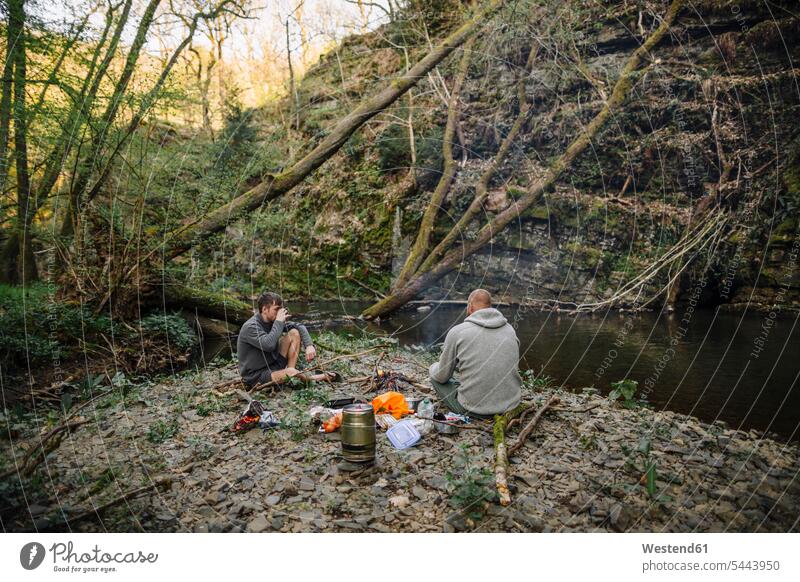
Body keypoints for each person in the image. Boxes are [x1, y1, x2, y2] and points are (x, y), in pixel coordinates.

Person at [429, 289, 522, 418]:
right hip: (511, 405)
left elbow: (442, 376)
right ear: (489, 307)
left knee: (436, 378)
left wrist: (432, 367)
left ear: (470, 307)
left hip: (475, 409)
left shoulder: (457, 332)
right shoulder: (510, 329)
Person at [237, 291, 336, 387]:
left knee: (294, 333)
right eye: (276, 309)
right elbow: (268, 345)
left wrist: (309, 345)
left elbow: (298, 326)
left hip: (274, 365)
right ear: (264, 309)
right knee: (292, 373)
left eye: (281, 309)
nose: (280, 313)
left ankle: (290, 372)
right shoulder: (251, 326)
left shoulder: (272, 320)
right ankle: (314, 377)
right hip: (257, 375)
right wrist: (279, 322)